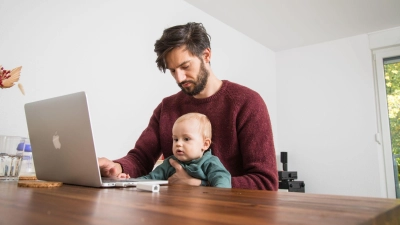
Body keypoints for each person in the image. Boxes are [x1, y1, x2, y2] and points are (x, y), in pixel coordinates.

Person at [98, 22, 278, 190]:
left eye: (185, 66)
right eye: (173, 70)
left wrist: (199, 184)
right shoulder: (166, 107)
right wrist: (117, 167)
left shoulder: (247, 102)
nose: (179, 78)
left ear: (206, 55)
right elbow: (140, 157)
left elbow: (266, 182)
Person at [121, 113, 231, 188]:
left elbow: (222, 182)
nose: (178, 144)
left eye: (186, 139)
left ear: (205, 144)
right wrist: (128, 181)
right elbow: (150, 178)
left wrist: (199, 184)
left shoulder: (210, 163)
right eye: (175, 139)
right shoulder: (170, 163)